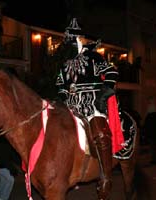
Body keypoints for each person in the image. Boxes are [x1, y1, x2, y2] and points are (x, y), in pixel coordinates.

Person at [55, 18, 121, 199]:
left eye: (73, 39)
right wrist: (62, 97)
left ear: (80, 40)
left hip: (92, 100)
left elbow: (112, 72)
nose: (69, 43)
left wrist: (103, 95)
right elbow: (60, 85)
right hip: (70, 103)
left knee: (99, 130)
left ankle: (106, 177)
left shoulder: (93, 57)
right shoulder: (65, 64)